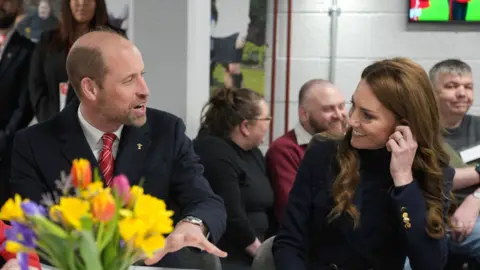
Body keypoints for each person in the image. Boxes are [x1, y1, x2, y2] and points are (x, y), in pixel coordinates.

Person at [9, 29, 227, 267]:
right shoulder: (32, 144)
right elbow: (36, 233)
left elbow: (206, 201)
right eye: (129, 80)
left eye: (142, 75)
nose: (145, 90)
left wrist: (193, 224)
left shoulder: (167, 131)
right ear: (90, 89)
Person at [273, 57, 455, 270]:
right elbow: (289, 242)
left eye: (367, 116)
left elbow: (429, 263)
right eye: (353, 106)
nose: (351, 121)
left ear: (404, 127)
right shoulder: (324, 152)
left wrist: (404, 181)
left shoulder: (433, 173)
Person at [193, 88, 275, 270]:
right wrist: (264, 256)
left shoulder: (253, 152)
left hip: (256, 251)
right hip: (230, 256)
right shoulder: (213, 152)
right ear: (245, 127)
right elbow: (232, 214)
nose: (269, 124)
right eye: (266, 119)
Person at [28, 0, 123, 123]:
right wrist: (48, 118)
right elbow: (35, 84)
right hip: (54, 126)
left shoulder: (115, 39)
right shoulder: (48, 40)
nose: (82, 3)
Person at [266, 79, 346, 222]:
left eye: (341, 106)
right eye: (328, 109)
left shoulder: (347, 145)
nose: (339, 115)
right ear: (304, 114)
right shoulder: (285, 150)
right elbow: (291, 209)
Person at [0, 0, 34, 206]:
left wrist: (3, 140)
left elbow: (24, 106)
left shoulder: (28, 50)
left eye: (9, 0)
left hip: (5, 154)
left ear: (19, 6)